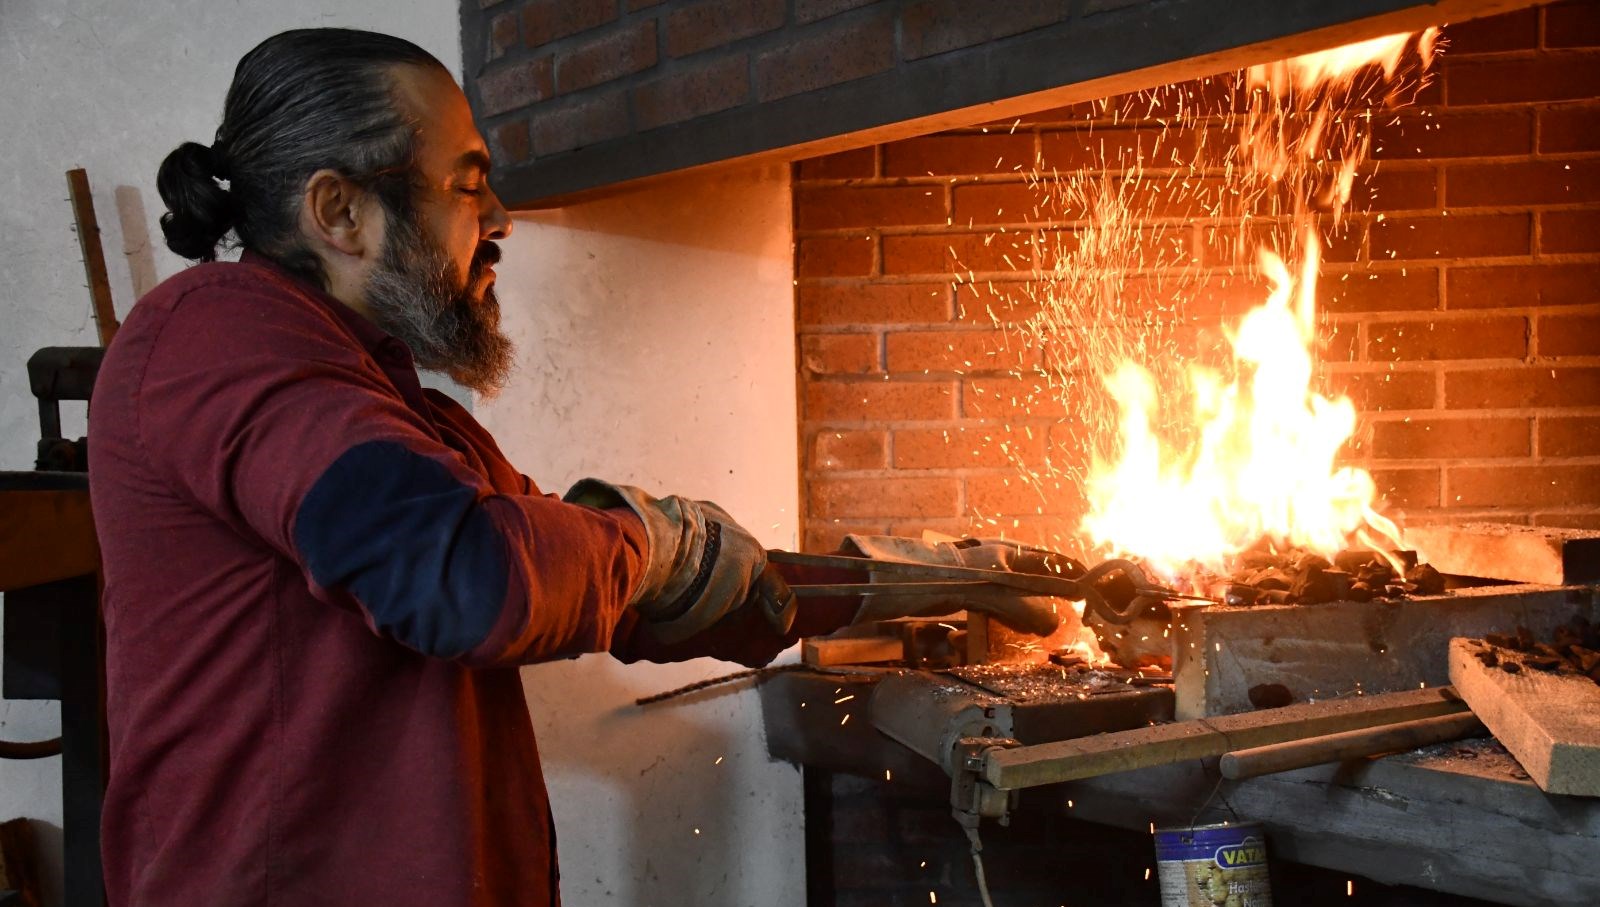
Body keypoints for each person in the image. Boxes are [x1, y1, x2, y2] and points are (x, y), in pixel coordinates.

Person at [88, 29, 1064, 907]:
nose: (498, 218)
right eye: (468, 185)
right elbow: (466, 580)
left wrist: (929, 578)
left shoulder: (408, 422)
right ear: (340, 211)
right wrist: (648, 540)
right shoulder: (213, 332)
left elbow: (633, 590)